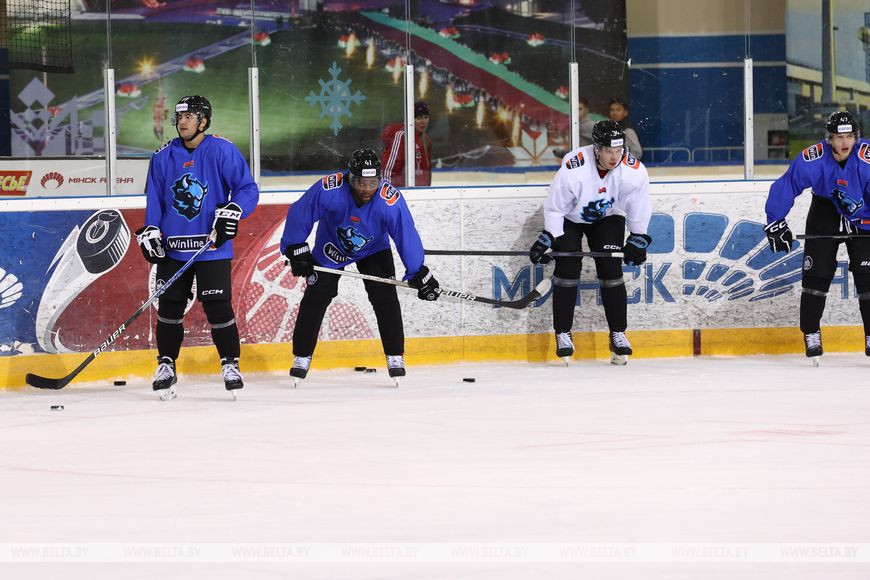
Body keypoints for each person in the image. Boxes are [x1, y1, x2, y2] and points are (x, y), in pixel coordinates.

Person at [135, 95, 259, 400]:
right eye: (180, 117)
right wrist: (151, 230)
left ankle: (230, 364)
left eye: (190, 116)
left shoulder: (222, 150)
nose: (183, 122)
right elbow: (155, 200)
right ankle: (166, 364)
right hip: (173, 249)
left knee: (218, 307)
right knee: (169, 307)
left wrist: (234, 210)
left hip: (211, 247)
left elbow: (247, 189)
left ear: (204, 121)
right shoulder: (162, 156)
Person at [280, 148, 440, 383]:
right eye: (360, 182)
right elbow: (300, 211)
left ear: (380, 179)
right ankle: (301, 356)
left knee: (385, 297)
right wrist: (295, 246)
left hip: (373, 249)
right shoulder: (330, 189)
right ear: (349, 178)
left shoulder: (389, 201)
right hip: (331, 247)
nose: (366, 189)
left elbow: (405, 234)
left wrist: (418, 271)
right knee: (316, 296)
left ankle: (395, 355)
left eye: (372, 183)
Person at [529, 119, 652, 365]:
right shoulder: (574, 167)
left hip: (608, 218)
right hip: (570, 219)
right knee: (567, 269)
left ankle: (618, 334)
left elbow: (639, 203)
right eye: (608, 151)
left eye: (618, 150)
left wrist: (638, 236)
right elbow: (555, 207)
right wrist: (549, 237)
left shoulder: (634, 171)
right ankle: (563, 333)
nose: (614, 157)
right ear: (596, 148)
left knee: (611, 270)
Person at [763, 110, 870, 362]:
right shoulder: (814, 157)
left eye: (850, 137)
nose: (845, 142)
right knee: (816, 275)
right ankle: (811, 332)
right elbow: (788, 183)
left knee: (868, 277)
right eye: (839, 137)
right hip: (825, 211)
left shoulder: (866, 158)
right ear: (829, 139)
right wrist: (775, 221)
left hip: (863, 214)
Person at [381, 100, 433, 187]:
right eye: (419, 118)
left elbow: (426, 171)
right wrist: (387, 191)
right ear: (411, 119)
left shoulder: (426, 140)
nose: (423, 121)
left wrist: (427, 189)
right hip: (402, 191)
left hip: (421, 191)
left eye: (426, 117)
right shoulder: (402, 136)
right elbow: (388, 170)